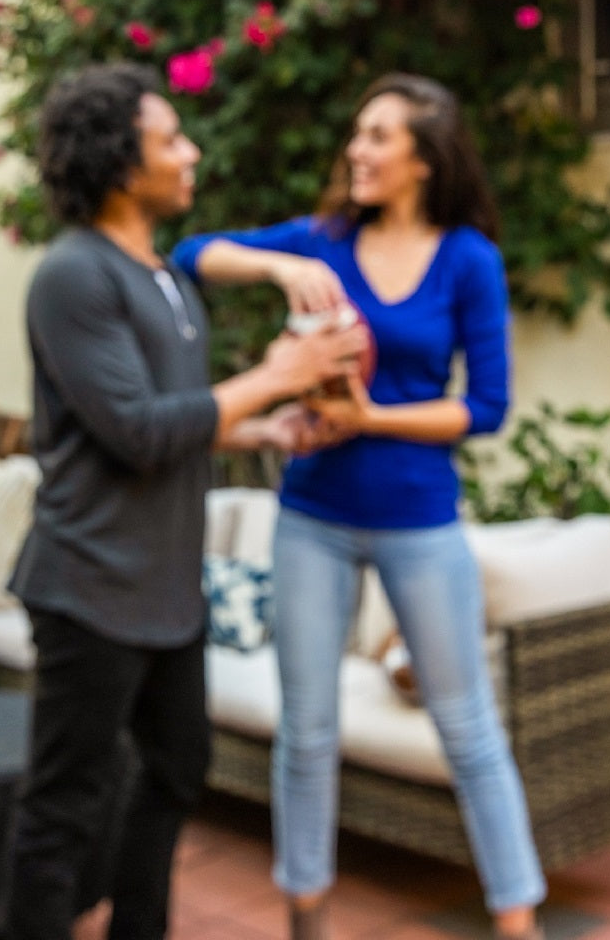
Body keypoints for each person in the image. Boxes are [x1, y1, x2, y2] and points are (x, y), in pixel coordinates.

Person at [171, 72, 546, 940]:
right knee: (306, 732)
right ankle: (308, 917)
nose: (358, 150)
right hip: (313, 519)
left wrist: (369, 416)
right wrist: (283, 261)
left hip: (421, 522)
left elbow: (484, 408)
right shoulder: (326, 239)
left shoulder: (468, 260)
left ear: (424, 157)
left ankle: (517, 923)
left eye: (379, 136)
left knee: (469, 731)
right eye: (358, 133)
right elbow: (195, 254)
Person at [5, 62, 366, 940]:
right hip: (89, 586)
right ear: (123, 163)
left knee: (174, 772)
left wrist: (263, 429)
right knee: (65, 807)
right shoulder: (71, 276)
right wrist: (276, 375)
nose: (191, 152)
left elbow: (177, 421)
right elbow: (134, 431)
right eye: (172, 139)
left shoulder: (166, 277)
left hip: (166, 589)